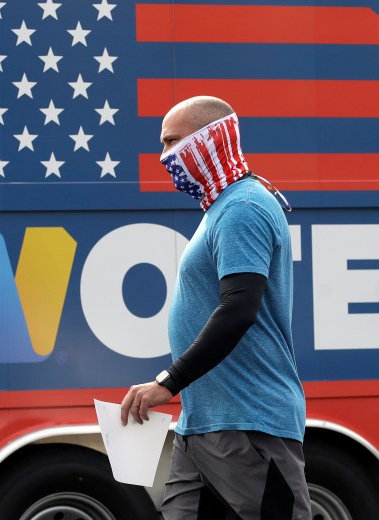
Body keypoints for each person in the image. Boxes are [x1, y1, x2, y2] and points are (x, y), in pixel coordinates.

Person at [120, 96, 311, 519]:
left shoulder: (243, 207)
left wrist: (169, 381)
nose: (164, 157)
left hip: (248, 425)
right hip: (203, 425)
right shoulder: (220, 209)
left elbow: (239, 308)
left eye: (172, 143)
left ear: (209, 140)